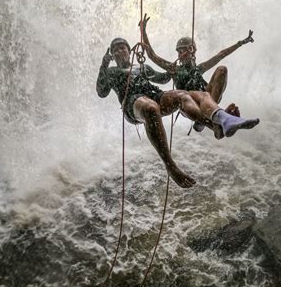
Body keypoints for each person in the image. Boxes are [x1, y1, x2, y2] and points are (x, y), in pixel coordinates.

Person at [96, 37, 259, 188]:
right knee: (151, 108)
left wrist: (171, 71)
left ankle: (218, 125)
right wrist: (103, 66)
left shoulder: (142, 67)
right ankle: (171, 167)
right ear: (112, 55)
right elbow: (101, 92)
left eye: (122, 48)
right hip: (133, 102)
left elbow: (163, 79)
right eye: (115, 50)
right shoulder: (111, 73)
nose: (119, 52)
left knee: (182, 95)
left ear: (129, 51)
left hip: (155, 94)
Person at [140, 14, 254, 132]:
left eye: (183, 50)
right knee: (192, 95)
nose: (180, 54)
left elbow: (221, 54)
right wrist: (144, 32)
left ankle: (211, 115)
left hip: (206, 101)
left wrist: (240, 43)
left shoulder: (199, 68)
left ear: (192, 51)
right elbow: (152, 56)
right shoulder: (174, 69)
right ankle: (210, 117)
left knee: (222, 69)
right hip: (189, 105)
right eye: (178, 52)